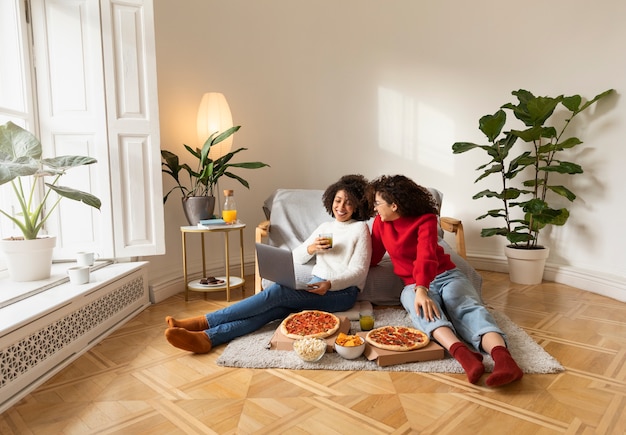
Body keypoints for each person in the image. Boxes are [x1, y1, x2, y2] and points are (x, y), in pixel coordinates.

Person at [164, 174, 373, 354]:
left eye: (348, 202)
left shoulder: (360, 229)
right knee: (273, 311)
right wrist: (310, 249)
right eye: (338, 200)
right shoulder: (325, 226)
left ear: (357, 205)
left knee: (279, 291)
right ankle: (207, 339)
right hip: (315, 284)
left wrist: (330, 284)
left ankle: (204, 322)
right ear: (331, 201)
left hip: (341, 293)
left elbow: (358, 271)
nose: (341, 207)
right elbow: (297, 257)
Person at [368, 174, 523, 387]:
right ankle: (465, 356)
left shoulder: (426, 219)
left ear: (394, 205)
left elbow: (426, 255)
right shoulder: (379, 223)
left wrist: (422, 289)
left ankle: (504, 360)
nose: (375, 208)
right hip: (412, 284)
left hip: (446, 275)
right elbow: (373, 256)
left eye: (378, 203)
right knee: (422, 310)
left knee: (468, 307)